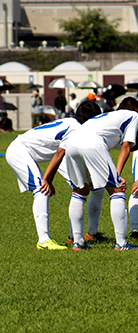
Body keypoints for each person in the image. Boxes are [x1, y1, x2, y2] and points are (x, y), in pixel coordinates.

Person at [6, 101, 101, 250]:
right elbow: (59, 153)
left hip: (39, 153)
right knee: (42, 190)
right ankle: (44, 241)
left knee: (81, 187)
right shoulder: (77, 129)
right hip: (19, 151)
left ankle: (74, 237)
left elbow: (61, 154)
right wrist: (47, 180)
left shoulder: (71, 122)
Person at [58, 97, 138, 251]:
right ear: (136, 111)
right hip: (92, 142)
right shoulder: (134, 116)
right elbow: (126, 146)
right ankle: (122, 243)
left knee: (80, 190)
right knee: (117, 189)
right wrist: (117, 176)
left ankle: (78, 242)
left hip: (71, 143)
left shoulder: (107, 116)